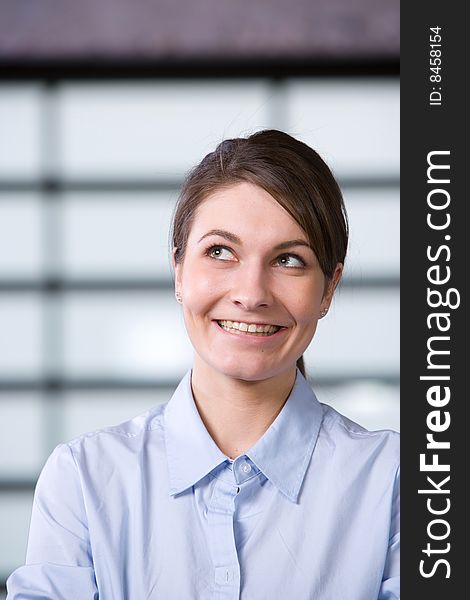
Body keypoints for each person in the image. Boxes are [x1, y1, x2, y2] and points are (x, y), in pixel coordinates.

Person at [7, 129, 399, 599]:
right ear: (179, 270)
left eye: (289, 260)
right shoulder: (85, 479)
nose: (251, 294)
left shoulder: (397, 481)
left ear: (328, 289)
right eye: (220, 252)